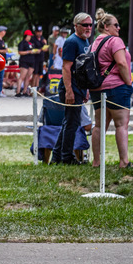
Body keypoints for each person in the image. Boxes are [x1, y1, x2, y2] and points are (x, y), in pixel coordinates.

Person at [88, 9, 133, 168]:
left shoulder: (94, 43)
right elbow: (121, 63)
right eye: (116, 25)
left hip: (97, 89)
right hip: (117, 87)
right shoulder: (115, 41)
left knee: (99, 126)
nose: (119, 28)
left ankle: (96, 161)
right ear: (106, 27)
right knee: (121, 125)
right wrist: (128, 82)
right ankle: (124, 161)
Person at [51, 12, 93, 165]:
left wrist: (86, 89)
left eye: (90, 25)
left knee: (70, 122)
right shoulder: (71, 41)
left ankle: (57, 156)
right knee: (72, 123)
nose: (88, 27)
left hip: (80, 88)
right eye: (85, 25)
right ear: (76, 26)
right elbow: (66, 68)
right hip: (71, 88)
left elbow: (85, 67)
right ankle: (67, 157)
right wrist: (69, 91)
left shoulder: (86, 41)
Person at [16, 30, 36, 97]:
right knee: (22, 76)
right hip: (24, 61)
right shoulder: (22, 43)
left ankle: (25, 91)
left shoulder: (31, 43)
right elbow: (20, 52)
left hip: (31, 61)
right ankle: (18, 91)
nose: (30, 37)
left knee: (28, 77)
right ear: (26, 36)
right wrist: (28, 52)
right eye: (29, 36)